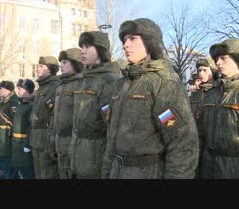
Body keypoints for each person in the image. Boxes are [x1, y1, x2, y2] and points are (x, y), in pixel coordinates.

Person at [102, 18, 199, 179]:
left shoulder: (164, 82)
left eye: (133, 38)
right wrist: (106, 171)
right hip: (117, 171)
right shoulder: (121, 84)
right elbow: (111, 136)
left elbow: (181, 140)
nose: (126, 45)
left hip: (149, 172)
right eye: (124, 40)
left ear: (150, 42)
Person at [69, 31, 120, 179]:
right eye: (81, 47)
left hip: (95, 162)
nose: (82, 51)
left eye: (88, 46)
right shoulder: (84, 79)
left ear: (101, 50)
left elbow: (112, 128)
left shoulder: (109, 80)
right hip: (78, 158)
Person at [198, 38, 239, 178]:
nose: (218, 62)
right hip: (208, 166)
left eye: (223, 58)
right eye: (216, 59)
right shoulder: (210, 94)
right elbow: (200, 132)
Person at [50, 48, 83, 179]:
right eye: (60, 63)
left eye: (65, 62)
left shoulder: (80, 84)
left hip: (72, 143)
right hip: (59, 142)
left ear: (75, 63)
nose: (61, 66)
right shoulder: (61, 86)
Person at [30, 56, 61, 179]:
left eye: (41, 66)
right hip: (37, 139)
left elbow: (54, 116)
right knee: (39, 173)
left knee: (48, 174)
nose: (38, 68)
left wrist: (51, 143)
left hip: (46, 139)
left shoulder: (54, 86)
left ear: (50, 69)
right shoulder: (42, 86)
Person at [10, 79, 35, 179]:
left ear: (27, 90)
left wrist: (27, 144)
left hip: (24, 143)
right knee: (18, 168)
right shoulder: (22, 104)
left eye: (20, 89)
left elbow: (31, 126)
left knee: (26, 171)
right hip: (17, 143)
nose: (18, 91)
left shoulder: (30, 106)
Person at [0, 80, 20, 179]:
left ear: (8, 90)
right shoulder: (4, 101)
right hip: (2, 132)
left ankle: (11, 175)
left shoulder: (13, 102)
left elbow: (15, 121)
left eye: (1, 89)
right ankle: (6, 173)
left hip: (8, 133)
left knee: (9, 156)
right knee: (3, 155)